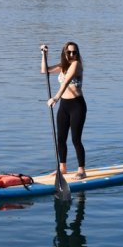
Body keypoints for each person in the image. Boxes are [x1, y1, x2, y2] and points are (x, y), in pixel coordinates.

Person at [41, 42, 87, 180]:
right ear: (64, 53)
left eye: (74, 52)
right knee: (61, 139)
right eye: (69, 52)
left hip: (77, 106)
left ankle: (82, 170)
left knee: (75, 139)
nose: (72, 55)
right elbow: (45, 70)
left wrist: (55, 98)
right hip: (64, 106)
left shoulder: (76, 65)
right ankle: (63, 168)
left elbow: (66, 81)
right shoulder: (63, 66)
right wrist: (44, 55)